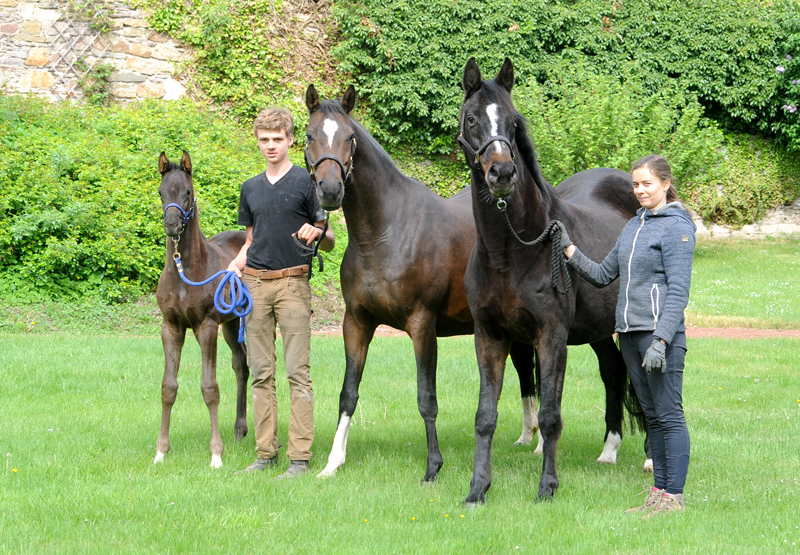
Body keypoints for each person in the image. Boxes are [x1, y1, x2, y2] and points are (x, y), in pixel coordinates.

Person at [556, 154, 695, 518]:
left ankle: (673, 497)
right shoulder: (634, 226)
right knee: (650, 412)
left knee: (669, 414)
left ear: (665, 184)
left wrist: (662, 340)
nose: (640, 190)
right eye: (636, 184)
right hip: (630, 336)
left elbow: (679, 292)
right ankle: (658, 491)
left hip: (657, 335)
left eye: (647, 183)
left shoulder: (677, 227)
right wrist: (570, 250)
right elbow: (604, 275)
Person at [228, 107, 335, 479]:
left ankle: (299, 459)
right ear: (257, 141)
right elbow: (251, 241)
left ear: (291, 140)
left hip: (293, 283)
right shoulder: (250, 188)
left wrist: (316, 233)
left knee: (297, 373)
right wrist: (235, 265)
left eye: (277, 139)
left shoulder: (308, 184)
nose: (270, 145)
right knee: (260, 373)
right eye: (264, 140)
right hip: (255, 285)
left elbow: (331, 239)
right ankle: (264, 454)